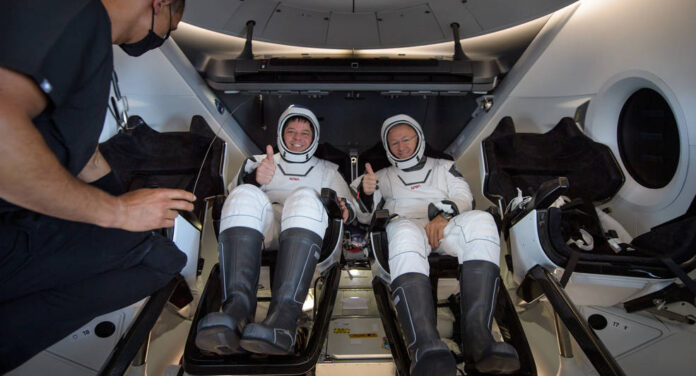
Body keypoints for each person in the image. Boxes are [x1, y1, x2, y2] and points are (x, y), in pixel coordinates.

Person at [0, 0, 193, 372]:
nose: (160, 40)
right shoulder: (72, 8)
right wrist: (119, 213)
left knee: (156, 254)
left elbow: (82, 155)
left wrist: (125, 203)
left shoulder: (78, 34)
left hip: (15, 226)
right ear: (161, 4)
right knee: (156, 259)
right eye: (168, 28)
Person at [351, 114, 520, 375]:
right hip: (406, 228)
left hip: (444, 225)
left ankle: (479, 339)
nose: (401, 146)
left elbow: (464, 196)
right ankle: (424, 345)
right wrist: (367, 191)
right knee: (404, 230)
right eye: (394, 143)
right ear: (387, 148)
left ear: (419, 138)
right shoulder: (380, 176)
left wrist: (444, 216)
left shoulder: (444, 167)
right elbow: (360, 214)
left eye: (406, 139)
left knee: (483, 221)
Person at [196, 105, 356, 356]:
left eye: (305, 133)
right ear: (281, 133)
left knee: (303, 197)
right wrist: (254, 180)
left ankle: (283, 320)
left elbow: (350, 208)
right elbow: (230, 196)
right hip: (264, 232)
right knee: (244, 194)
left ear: (314, 137)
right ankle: (236, 311)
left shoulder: (328, 171)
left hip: (308, 232)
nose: (297, 138)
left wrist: (346, 208)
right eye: (291, 131)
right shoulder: (257, 163)